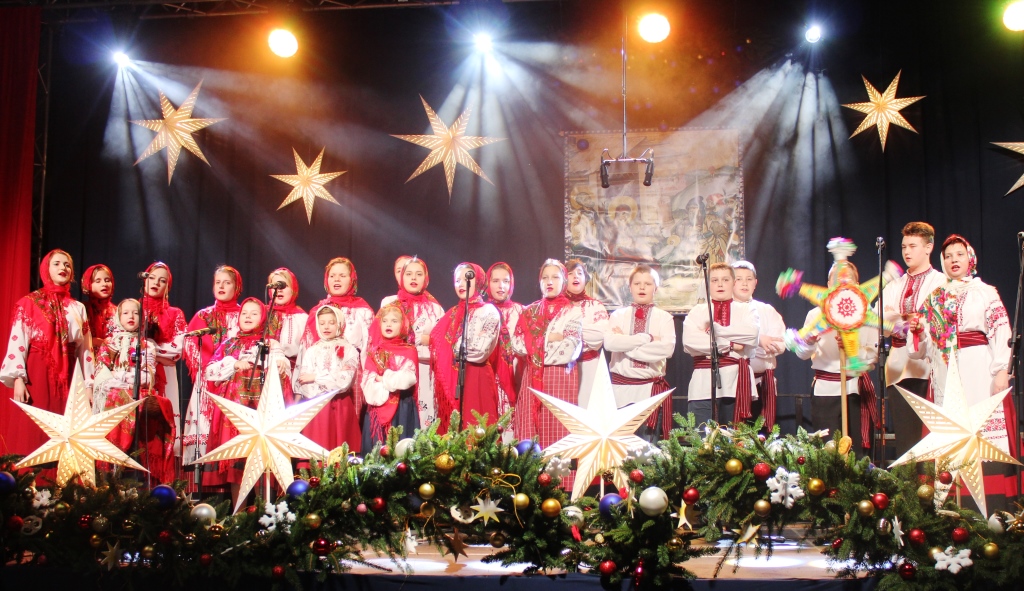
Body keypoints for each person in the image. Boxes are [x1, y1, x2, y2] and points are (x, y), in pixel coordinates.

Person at [910, 234, 1018, 513]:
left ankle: (991, 506)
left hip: (978, 369)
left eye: (959, 254)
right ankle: (950, 505)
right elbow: (921, 350)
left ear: (971, 258)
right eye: (948, 256)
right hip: (945, 371)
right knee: (951, 432)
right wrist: (918, 333)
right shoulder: (934, 298)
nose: (953, 260)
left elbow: (1001, 331)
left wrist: (1001, 370)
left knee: (979, 430)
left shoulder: (985, 292)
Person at [1, 249, 95, 459]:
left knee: (66, 431)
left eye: (67, 265)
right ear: (46, 269)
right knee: (34, 430)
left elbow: (86, 350)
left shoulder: (78, 308)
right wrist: (18, 379)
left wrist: (89, 386)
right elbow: (18, 341)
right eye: (57, 264)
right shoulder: (29, 303)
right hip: (37, 372)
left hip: (69, 376)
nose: (63, 268)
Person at [790, 260, 880, 452]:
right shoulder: (815, 315)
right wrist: (809, 341)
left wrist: (852, 350)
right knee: (828, 452)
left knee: (856, 453)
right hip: (825, 393)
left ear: (857, 285)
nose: (842, 283)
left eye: (848, 279)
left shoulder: (867, 314)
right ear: (829, 285)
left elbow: (873, 357)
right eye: (836, 279)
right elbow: (801, 354)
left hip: (854, 391)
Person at [879, 222, 947, 458]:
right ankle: (907, 480)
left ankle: (930, 479)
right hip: (898, 366)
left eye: (913, 246)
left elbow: (935, 319)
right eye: (904, 246)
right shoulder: (894, 285)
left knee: (929, 435)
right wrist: (906, 318)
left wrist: (898, 317)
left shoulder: (939, 281)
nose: (907, 252)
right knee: (905, 438)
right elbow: (879, 320)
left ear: (928, 247)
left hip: (928, 367)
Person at [204, 298, 287, 487]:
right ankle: (238, 505)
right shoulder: (230, 344)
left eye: (254, 313)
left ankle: (261, 503)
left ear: (263, 318)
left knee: (260, 458)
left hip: (261, 409)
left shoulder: (270, 344)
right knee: (237, 462)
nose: (248, 317)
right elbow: (209, 371)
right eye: (244, 313)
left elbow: (281, 367)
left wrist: (280, 363)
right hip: (235, 411)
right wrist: (233, 364)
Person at [93, 298, 176, 483]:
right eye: (126, 313)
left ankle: (137, 465)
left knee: (137, 399)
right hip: (113, 391)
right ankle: (113, 462)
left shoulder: (147, 345)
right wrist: (124, 379)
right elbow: (102, 375)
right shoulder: (109, 343)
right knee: (116, 396)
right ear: (118, 317)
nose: (131, 316)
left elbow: (148, 376)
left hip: (138, 392)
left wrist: (122, 377)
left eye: (136, 313)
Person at [297, 257, 373, 452]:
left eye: (342, 275)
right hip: (316, 386)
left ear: (352, 279)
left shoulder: (363, 311)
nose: (337, 279)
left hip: (351, 378)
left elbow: (369, 348)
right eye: (332, 276)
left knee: (345, 430)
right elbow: (306, 350)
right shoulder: (317, 311)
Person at [512, 260, 583, 466]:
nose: (549, 282)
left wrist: (535, 340)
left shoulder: (573, 311)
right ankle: (529, 479)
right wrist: (551, 338)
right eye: (545, 278)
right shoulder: (529, 311)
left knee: (558, 432)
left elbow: (568, 350)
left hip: (560, 378)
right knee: (529, 434)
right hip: (532, 379)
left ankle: (561, 482)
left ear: (564, 280)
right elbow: (517, 344)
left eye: (555, 277)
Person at [682, 262, 759, 426]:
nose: (720, 284)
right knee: (701, 435)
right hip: (702, 384)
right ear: (708, 284)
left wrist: (716, 330)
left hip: (735, 384)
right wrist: (730, 344)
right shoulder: (698, 311)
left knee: (733, 437)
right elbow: (690, 342)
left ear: (734, 283)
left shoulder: (746, 309)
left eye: (725, 280)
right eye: (714, 280)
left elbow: (752, 335)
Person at [605, 265, 676, 441]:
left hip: (649, 391)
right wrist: (648, 338)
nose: (642, 287)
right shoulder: (618, 315)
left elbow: (667, 349)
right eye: (637, 283)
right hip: (620, 391)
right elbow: (610, 343)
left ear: (655, 288)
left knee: (647, 448)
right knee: (621, 447)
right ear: (630, 287)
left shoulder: (664, 318)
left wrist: (625, 341)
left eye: (647, 284)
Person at [430, 263, 502, 433]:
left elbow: (480, 350)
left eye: (467, 278)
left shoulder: (488, 311)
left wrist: (455, 349)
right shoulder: (452, 313)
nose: (461, 284)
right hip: (455, 377)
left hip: (477, 376)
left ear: (480, 281)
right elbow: (435, 341)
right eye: (457, 280)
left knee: (477, 428)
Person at [183, 265, 243, 463]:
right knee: (204, 426)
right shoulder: (203, 316)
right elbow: (190, 344)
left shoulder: (243, 315)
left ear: (237, 287)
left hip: (234, 382)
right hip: (207, 382)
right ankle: (201, 471)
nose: (221, 286)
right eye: (218, 282)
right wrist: (206, 368)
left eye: (227, 282)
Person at [380, 257, 444, 429]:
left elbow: (442, 343)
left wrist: (424, 340)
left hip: (425, 370)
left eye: (418, 274)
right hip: (397, 369)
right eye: (408, 274)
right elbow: (381, 336)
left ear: (426, 278)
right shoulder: (390, 304)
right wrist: (422, 339)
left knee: (425, 419)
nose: (413, 278)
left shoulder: (435, 308)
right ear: (401, 277)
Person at [139, 262, 188, 462]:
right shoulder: (134, 309)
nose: (156, 283)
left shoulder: (175, 314)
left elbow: (178, 350)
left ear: (168, 286)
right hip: (138, 374)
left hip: (166, 375)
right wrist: (159, 354)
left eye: (162, 281)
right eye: (152, 278)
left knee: (165, 422)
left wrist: (150, 350)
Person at [731, 261, 786, 430]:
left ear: (755, 283)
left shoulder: (767, 310)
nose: (744, 283)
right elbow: (730, 343)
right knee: (734, 431)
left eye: (749, 279)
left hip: (763, 383)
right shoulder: (725, 310)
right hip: (733, 384)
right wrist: (759, 341)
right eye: (739, 279)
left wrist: (747, 347)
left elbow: (779, 345)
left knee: (762, 433)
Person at [297, 306, 360, 451]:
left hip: (340, 404)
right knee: (318, 447)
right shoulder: (312, 350)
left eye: (331, 323)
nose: (326, 327)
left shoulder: (349, 349)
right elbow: (304, 380)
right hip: (316, 405)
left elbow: (344, 380)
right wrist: (324, 382)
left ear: (339, 324)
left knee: (340, 448)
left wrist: (316, 378)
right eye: (322, 323)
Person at [362, 303, 419, 447]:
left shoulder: (409, 351)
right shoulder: (373, 351)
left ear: (403, 325)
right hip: (376, 407)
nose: (389, 324)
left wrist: (383, 378)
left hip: (402, 406)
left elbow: (407, 379)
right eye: (385, 321)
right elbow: (367, 380)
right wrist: (391, 379)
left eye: (394, 321)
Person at [565, 260, 609, 406]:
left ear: (585, 278)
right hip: (563, 367)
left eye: (580, 273)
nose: (575, 276)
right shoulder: (557, 307)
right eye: (570, 273)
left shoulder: (595, 305)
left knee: (591, 408)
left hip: (591, 366)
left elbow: (600, 336)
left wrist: (568, 331)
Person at [485, 262, 523, 418]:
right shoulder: (482, 311)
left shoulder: (521, 311)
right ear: (487, 283)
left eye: (506, 281)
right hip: (489, 373)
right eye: (495, 281)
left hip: (515, 374)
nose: (501, 286)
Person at [265, 268, 307, 404]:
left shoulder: (302, 318)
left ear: (293, 289)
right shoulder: (261, 313)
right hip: (263, 371)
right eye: (275, 286)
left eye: (284, 286)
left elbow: (305, 353)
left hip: (291, 374)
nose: (279, 290)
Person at [82, 264, 117, 349]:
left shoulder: (117, 311)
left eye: (107, 280)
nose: (104, 284)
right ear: (88, 284)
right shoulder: (82, 309)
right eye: (98, 281)